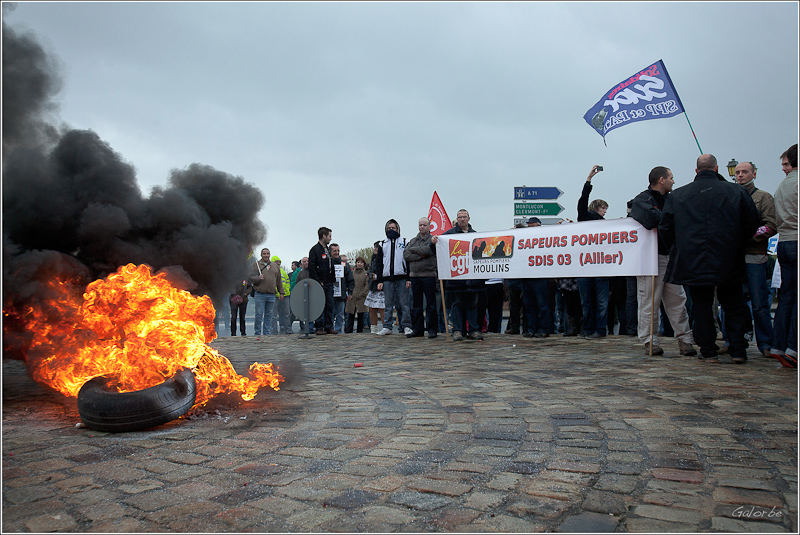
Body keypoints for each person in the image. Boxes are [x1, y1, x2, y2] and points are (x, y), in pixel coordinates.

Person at [659, 154, 760, 364]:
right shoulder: (737, 191)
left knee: (701, 306)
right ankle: (738, 350)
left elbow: (665, 228)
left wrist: (680, 248)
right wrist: (738, 241)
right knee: (733, 304)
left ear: (696, 171)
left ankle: (708, 351)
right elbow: (753, 222)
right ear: (716, 170)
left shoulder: (678, 195)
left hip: (693, 258)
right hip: (729, 256)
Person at [630, 166, 697, 357]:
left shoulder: (672, 198)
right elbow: (652, 219)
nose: (673, 181)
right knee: (649, 300)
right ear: (661, 180)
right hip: (650, 258)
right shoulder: (642, 200)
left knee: (678, 299)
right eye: (671, 178)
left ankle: (685, 339)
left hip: (671, 256)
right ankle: (649, 340)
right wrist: (669, 219)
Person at [731, 161, 777, 357]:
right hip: (733, 257)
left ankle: (765, 343)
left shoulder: (763, 197)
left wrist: (749, 237)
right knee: (732, 302)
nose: (740, 175)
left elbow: (771, 225)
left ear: (754, 174)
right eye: (738, 172)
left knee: (759, 304)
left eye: (744, 172)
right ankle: (731, 339)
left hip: (755, 255)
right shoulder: (730, 195)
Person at [434, 209, 483, 341]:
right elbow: (436, 247)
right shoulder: (449, 234)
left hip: (472, 278)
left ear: (469, 218)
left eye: (464, 217)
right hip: (456, 277)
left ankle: (473, 330)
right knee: (456, 305)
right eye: (460, 217)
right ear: (457, 219)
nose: (462, 219)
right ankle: (458, 330)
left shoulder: (475, 235)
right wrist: (434, 241)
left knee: (472, 305)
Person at [771, 144, 798, 367]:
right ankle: (794, 348)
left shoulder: (783, 185)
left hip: (785, 241)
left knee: (788, 296)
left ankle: (779, 344)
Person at [577, 165, 610, 339]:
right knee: (587, 301)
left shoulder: (607, 225)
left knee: (601, 302)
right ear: (597, 207)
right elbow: (582, 201)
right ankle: (588, 329)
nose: (605, 212)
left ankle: (599, 330)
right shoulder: (585, 218)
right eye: (603, 208)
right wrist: (588, 180)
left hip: (600, 265)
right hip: (585, 265)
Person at [375, 219, 412, 336]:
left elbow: (409, 261)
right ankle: (387, 326)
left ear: (398, 229)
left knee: (404, 304)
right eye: (389, 228)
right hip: (387, 279)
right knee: (388, 304)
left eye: (393, 228)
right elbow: (379, 263)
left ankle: (406, 326)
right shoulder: (382, 244)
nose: (391, 230)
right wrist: (379, 280)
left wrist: (409, 278)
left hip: (402, 277)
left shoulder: (405, 242)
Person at [404, 216, 439, 338]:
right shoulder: (413, 240)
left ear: (429, 226)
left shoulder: (433, 240)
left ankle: (432, 329)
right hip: (415, 276)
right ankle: (417, 329)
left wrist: (416, 251)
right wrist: (421, 255)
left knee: (431, 304)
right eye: (420, 225)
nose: (422, 227)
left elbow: (429, 250)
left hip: (428, 275)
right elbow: (406, 254)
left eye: (424, 225)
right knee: (416, 305)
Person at [521, 217, 553, 338]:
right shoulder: (523, 239)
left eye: (533, 226)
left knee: (542, 304)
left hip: (540, 275)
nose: (531, 228)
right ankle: (532, 328)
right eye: (529, 226)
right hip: (526, 275)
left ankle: (544, 328)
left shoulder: (544, 238)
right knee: (529, 305)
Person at [248, 248, 285, 336]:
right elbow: (250, 277)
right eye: (264, 253)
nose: (266, 255)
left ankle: (266, 333)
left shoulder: (275, 266)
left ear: (270, 254)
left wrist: (282, 292)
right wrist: (258, 278)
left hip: (271, 294)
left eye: (267, 253)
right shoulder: (255, 265)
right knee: (259, 314)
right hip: (260, 294)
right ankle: (257, 333)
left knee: (269, 315)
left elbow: (279, 281)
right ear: (261, 255)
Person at [308, 227, 337, 335]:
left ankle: (329, 326)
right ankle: (319, 327)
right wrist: (317, 280)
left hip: (329, 282)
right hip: (320, 282)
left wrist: (333, 279)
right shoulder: (315, 250)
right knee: (320, 305)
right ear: (324, 236)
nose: (330, 238)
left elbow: (331, 265)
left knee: (330, 305)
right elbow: (312, 267)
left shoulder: (328, 250)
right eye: (329, 236)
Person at [330, 243, 354, 333]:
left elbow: (350, 279)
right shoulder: (327, 263)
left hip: (341, 294)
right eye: (334, 251)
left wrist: (350, 291)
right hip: (329, 293)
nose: (337, 253)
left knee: (340, 315)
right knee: (330, 314)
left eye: (338, 251)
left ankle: (338, 331)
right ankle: (330, 330)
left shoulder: (344, 264)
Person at [365, 242, 386, 334]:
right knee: (372, 308)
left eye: (377, 247)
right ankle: (374, 329)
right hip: (373, 286)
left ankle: (386, 327)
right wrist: (370, 275)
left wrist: (377, 277)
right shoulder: (373, 258)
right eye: (374, 247)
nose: (375, 249)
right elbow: (369, 269)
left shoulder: (385, 258)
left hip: (382, 286)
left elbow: (386, 270)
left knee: (382, 308)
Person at [345, 256, 370, 333]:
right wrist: (349, 293)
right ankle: (348, 332)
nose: (360, 264)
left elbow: (367, 285)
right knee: (350, 316)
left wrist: (363, 293)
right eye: (358, 262)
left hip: (361, 298)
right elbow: (348, 283)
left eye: (361, 262)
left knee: (361, 317)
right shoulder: (351, 273)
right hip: (352, 297)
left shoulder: (366, 274)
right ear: (356, 263)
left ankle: (360, 332)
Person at [270, 256, 293, 335]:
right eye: (276, 261)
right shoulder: (270, 272)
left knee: (286, 314)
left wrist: (284, 293)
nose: (278, 263)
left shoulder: (283, 272)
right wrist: (279, 294)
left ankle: (288, 330)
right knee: (273, 315)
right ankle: (273, 331)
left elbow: (287, 283)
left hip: (285, 296)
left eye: (279, 261)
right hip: (275, 296)